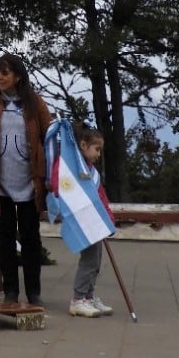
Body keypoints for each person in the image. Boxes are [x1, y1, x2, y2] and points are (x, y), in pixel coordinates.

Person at [0, 52, 53, 307]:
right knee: (3, 237)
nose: (0, 78)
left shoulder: (34, 103)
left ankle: (34, 291)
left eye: (5, 73)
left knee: (30, 238)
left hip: (29, 181)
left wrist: (55, 168)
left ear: (17, 75)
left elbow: (49, 134)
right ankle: (11, 290)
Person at [68, 124, 115, 318]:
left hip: (97, 222)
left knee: (96, 261)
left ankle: (89, 296)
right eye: (96, 149)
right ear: (83, 145)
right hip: (85, 221)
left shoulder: (92, 172)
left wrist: (108, 219)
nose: (98, 154)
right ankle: (78, 299)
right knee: (88, 261)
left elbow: (101, 197)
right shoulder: (73, 169)